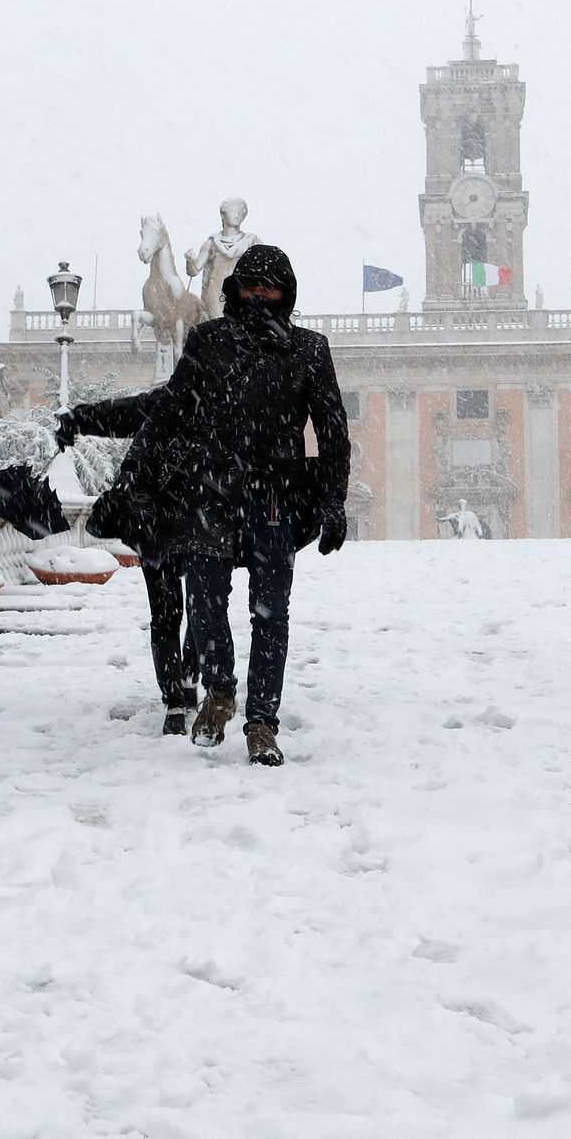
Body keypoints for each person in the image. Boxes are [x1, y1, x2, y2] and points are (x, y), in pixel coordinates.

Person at [131, 243, 350, 766]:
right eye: (249, 286)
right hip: (211, 492)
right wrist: (140, 473)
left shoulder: (308, 350)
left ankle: (262, 723)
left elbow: (334, 432)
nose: (257, 295)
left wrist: (334, 502)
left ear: (285, 294)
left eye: (268, 287)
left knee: (270, 614)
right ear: (234, 290)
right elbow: (171, 409)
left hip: (275, 498)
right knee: (205, 602)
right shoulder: (208, 342)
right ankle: (221, 692)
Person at [55, 395, 199, 735]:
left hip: (182, 522)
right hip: (165, 521)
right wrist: (79, 419)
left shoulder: (203, 400)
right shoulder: (179, 397)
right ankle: (177, 695)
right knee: (179, 612)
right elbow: (120, 414)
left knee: (192, 610)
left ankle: (184, 683)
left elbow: (121, 414)